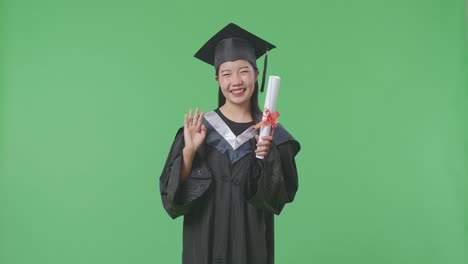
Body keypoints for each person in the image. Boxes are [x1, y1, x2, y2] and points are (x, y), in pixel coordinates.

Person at [159, 23, 301, 264]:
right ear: (217, 79)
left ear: (256, 74)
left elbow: (279, 198)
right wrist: (189, 152)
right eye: (226, 73)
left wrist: (268, 160)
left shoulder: (272, 136)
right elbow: (173, 202)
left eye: (244, 71)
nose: (236, 81)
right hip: (203, 245)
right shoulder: (198, 129)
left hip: (251, 247)